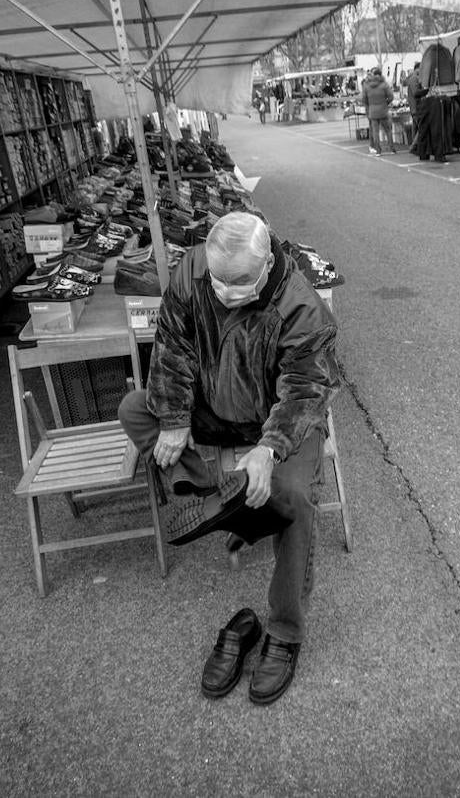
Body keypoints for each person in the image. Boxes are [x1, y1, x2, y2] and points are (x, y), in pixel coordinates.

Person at [118, 212, 340, 705]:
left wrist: (268, 448)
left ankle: (284, 630)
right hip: (213, 403)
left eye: (240, 282)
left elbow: (306, 389)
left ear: (266, 266)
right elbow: (172, 345)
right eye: (219, 279)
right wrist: (174, 417)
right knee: (135, 408)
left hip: (277, 417)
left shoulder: (302, 307)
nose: (226, 290)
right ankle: (211, 492)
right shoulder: (191, 271)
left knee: (295, 497)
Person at [361, 67, 395, 154]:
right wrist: (386, 103)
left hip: (372, 111)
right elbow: (391, 96)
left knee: (375, 132)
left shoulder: (367, 85)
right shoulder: (384, 84)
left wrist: (369, 106)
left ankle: (378, 151)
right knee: (388, 130)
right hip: (383, 111)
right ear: (380, 74)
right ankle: (392, 149)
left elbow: (364, 99)